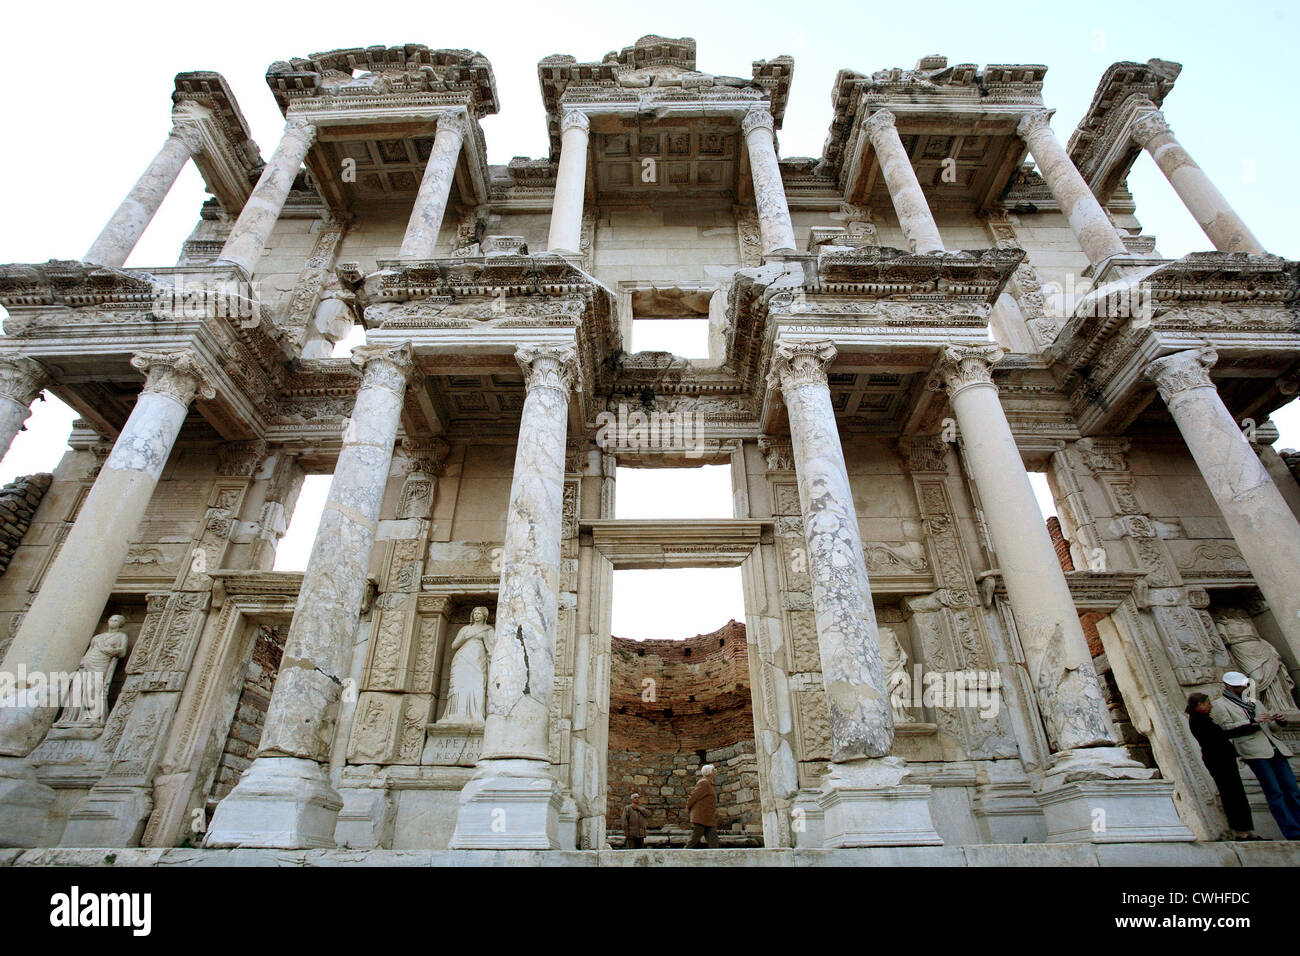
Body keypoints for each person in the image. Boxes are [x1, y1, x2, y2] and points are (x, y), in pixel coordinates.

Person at [1210, 671, 1300, 840]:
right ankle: (1293, 831)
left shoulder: (1254, 702)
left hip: (1275, 748)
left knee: (1293, 789)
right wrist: (1252, 721)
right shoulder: (1219, 705)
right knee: (1275, 792)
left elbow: (1270, 728)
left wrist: (1279, 722)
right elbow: (1226, 728)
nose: (1243, 688)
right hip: (1254, 752)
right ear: (1229, 686)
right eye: (1239, 686)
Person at [1185, 692, 1259, 840]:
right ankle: (1240, 831)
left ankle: (1246, 829)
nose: (1210, 706)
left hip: (1222, 758)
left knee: (1236, 793)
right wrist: (1250, 726)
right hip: (1217, 759)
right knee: (1231, 794)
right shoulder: (1198, 720)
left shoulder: (1203, 719)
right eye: (1207, 703)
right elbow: (1221, 735)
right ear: (1199, 705)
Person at [684, 764, 721, 848]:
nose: (715, 772)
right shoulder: (704, 783)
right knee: (694, 840)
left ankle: (716, 855)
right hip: (701, 817)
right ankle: (682, 854)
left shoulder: (709, 783)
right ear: (709, 773)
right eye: (713, 771)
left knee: (714, 841)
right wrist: (688, 807)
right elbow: (694, 797)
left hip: (708, 818)